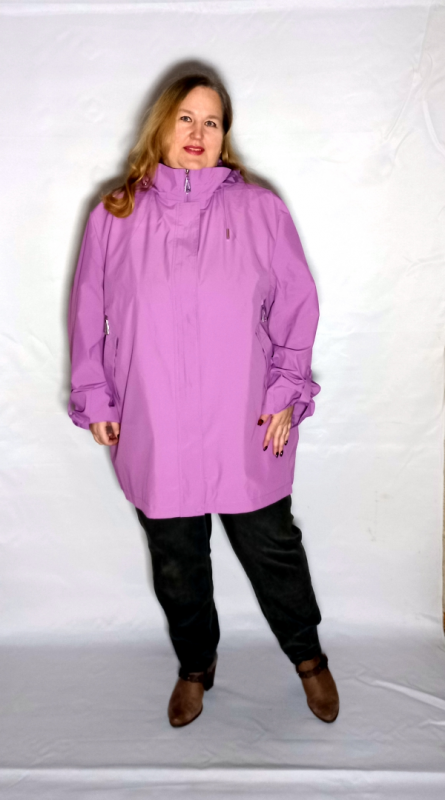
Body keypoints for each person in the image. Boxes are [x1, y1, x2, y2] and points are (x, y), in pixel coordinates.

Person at [67, 71, 340, 728]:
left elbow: (296, 307)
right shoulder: (115, 214)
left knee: (272, 548)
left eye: (211, 122)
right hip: (154, 419)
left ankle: (307, 657)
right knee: (176, 559)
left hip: (246, 417)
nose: (197, 132)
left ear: (224, 137)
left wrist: (285, 392)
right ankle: (196, 665)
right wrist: (96, 397)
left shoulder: (259, 210)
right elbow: (88, 311)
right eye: (185, 118)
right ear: (161, 125)